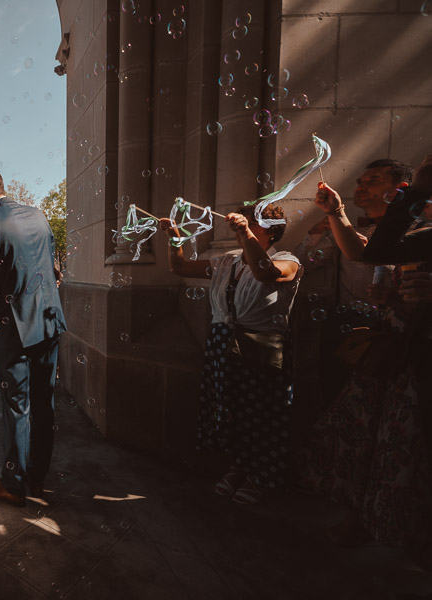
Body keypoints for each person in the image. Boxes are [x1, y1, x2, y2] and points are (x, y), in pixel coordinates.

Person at [301, 154, 432, 562]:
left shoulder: (416, 222)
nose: (363, 186)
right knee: (379, 442)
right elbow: (372, 253)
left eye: (374, 180)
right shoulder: (416, 228)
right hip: (395, 352)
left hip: (414, 356)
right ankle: (373, 520)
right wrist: (338, 214)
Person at [159, 203, 302, 504]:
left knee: (261, 412)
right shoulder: (227, 261)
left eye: (253, 221)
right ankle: (237, 467)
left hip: (260, 345)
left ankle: (260, 476)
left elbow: (266, 274)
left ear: (271, 229)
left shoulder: (288, 260)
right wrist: (174, 238)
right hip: (222, 341)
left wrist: (246, 233)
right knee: (230, 411)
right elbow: (180, 267)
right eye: (245, 220)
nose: (244, 225)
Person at [0, 166, 66, 507]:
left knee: (17, 406)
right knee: (43, 404)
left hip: (16, 329)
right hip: (50, 324)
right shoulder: (38, 215)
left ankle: (13, 483)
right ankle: (37, 478)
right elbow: (54, 270)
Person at [295, 159, 413, 401]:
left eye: (373, 181)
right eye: (360, 182)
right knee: (335, 395)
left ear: (399, 189)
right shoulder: (341, 229)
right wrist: (318, 232)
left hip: (397, 330)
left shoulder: (416, 232)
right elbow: (303, 264)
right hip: (345, 326)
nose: (361, 186)